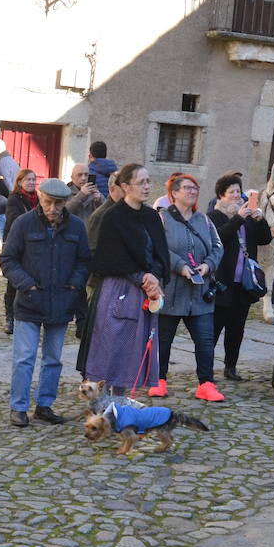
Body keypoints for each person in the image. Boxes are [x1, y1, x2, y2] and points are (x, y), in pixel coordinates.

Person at [0, 178, 89, 427]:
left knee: (53, 358)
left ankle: (44, 405)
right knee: (24, 357)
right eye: (48, 202)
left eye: (58, 204)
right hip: (29, 301)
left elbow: (84, 260)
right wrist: (26, 284)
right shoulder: (24, 224)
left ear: (65, 202)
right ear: (40, 198)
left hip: (61, 301)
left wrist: (74, 285)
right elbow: (8, 260)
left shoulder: (76, 227)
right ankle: (18, 407)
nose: (53, 208)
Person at [76, 164, 167, 392]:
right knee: (109, 350)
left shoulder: (152, 217)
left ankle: (120, 406)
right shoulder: (112, 217)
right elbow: (108, 257)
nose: (147, 187)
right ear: (125, 186)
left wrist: (154, 277)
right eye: (141, 182)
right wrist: (142, 276)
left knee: (131, 356)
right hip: (116, 290)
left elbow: (161, 253)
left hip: (145, 292)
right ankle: (100, 408)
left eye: (148, 181)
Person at [155, 173, 225, 402]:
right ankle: (158, 380)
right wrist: (180, 266)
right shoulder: (162, 220)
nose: (193, 191)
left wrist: (208, 265)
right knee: (163, 340)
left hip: (200, 293)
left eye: (195, 188)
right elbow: (159, 249)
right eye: (187, 188)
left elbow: (217, 247)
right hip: (171, 290)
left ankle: (206, 383)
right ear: (174, 193)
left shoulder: (204, 220)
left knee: (205, 340)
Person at [207, 171, 271, 381]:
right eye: (232, 191)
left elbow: (264, 239)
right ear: (221, 195)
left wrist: (260, 221)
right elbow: (218, 237)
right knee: (214, 329)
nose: (237, 195)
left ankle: (231, 367)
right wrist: (237, 218)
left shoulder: (248, 216)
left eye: (239, 191)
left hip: (243, 283)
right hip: (221, 281)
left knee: (237, 329)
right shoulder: (214, 216)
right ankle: (206, 369)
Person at [1, 169, 39, 335]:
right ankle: (10, 317)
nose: (31, 182)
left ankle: (29, 314)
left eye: (33, 179)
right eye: (28, 180)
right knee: (13, 283)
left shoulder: (39, 198)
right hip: (17, 243)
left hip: (35, 245)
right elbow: (13, 219)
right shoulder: (14, 198)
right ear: (20, 182)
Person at [0, 139, 19, 242]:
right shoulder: (11, 161)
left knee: (6, 240)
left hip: (2, 208)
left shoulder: (1, 163)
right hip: (9, 207)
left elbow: (8, 186)